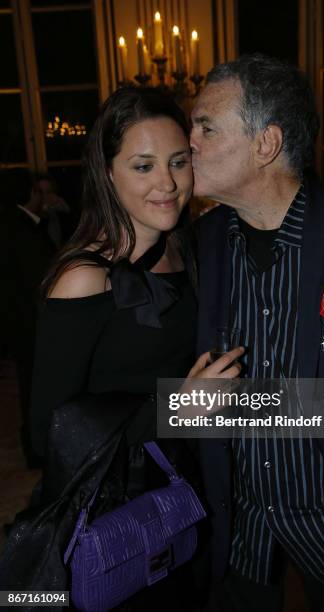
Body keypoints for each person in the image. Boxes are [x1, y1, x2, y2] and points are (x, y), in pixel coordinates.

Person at [1, 86, 242, 609]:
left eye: (179, 162)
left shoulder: (181, 245)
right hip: (119, 515)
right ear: (106, 173)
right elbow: (48, 432)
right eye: (143, 166)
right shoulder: (84, 279)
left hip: (188, 489)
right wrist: (177, 408)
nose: (168, 183)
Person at [190, 54, 324, 612]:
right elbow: (182, 397)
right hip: (239, 527)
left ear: (266, 144)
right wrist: (186, 409)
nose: (188, 141)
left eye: (205, 126)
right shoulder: (200, 241)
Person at [0, 177, 56, 468]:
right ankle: (37, 451)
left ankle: (36, 449)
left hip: (19, 322)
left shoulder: (20, 224)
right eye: (45, 191)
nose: (50, 197)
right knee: (34, 389)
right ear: (33, 193)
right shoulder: (22, 230)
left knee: (30, 386)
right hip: (29, 323)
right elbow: (40, 280)